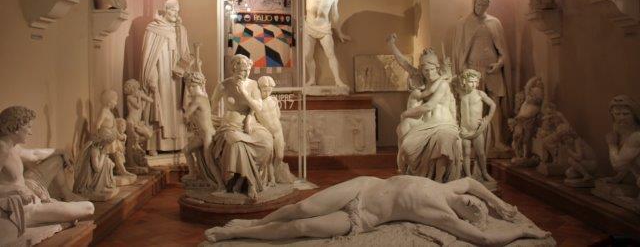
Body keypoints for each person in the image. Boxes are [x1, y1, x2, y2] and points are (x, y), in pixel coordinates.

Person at [205, 175, 549, 245]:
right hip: (364, 186)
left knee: (302, 229)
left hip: (362, 217)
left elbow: (484, 240)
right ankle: (253, 221)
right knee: (301, 206)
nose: (475, 205)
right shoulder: (452, 188)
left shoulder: (444, 217)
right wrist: (498, 204)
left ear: (464, 218)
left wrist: (522, 230)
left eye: (475, 212)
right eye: (477, 204)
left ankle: (236, 234)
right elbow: (474, 182)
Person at [0, 106, 94, 226]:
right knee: (88, 207)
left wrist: (62, 151)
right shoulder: (2, 149)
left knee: (57, 159)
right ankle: (48, 212)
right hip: (22, 208)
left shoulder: (13, 146)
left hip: (29, 196)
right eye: (28, 127)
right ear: (16, 127)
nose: (30, 132)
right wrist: (17, 190)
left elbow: (34, 154)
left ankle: (65, 197)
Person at [452, 0, 511, 155]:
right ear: (473, 3)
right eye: (479, 4)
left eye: (485, 5)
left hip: (492, 70)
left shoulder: (494, 22)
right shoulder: (464, 23)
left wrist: (499, 64)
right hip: (472, 70)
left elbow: (503, 52)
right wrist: (464, 71)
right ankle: (474, 141)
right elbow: (460, 51)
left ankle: (497, 141)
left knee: (495, 104)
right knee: (474, 106)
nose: (481, 8)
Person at [210, 55, 273, 199]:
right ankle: (250, 183)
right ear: (233, 68)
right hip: (231, 125)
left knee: (267, 142)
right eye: (242, 70)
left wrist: (244, 93)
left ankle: (241, 182)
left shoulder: (253, 85)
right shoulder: (223, 85)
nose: (245, 73)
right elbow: (211, 108)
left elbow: (258, 108)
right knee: (236, 144)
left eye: (247, 70)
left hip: (250, 123)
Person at [396, 47, 462, 183]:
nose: (429, 73)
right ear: (421, 70)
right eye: (426, 70)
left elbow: (429, 106)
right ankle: (405, 169)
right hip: (425, 124)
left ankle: (438, 180)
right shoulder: (422, 84)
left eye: (432, 69)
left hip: (443, 124)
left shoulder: (443, 84)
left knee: (442, 141)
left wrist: (405, 113)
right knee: (404, 129)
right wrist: (391, 44)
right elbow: (404, 63)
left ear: (437, 67)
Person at [141, 0, 192, 151]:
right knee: (161, 103)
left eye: (177, 11)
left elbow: (186, 52)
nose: (175, 14)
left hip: (177, 77)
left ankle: (178, 143)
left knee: (177, 105)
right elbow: (148, 56)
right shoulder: (153, 28)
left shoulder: (181, 29)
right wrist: (151, 74)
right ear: (166, 10)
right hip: (161, 72)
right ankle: (158, 144)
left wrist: (183, 67)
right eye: (173, 10)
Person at [304, 0, 350, 88]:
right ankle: (312, 79)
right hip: (309, 26)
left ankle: (338, 80)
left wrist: (339, 32)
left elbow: (335, 15)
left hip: (324, 28)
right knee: (307, 55)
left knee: (331, 54)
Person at [456, 69, 496, 183]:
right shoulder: (461, 94)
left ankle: (484, 172)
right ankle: (468, 176)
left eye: (475, 81)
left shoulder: (480, 94)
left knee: (481, 153)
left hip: (477, 129)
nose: (473, 84)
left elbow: (493, 105)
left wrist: (487, 120)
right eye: (470, 81)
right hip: (464, 129)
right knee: (466, 153)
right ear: (465, 81)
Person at [182, 71, 220, 185]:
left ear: (198, 85)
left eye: (192, 86)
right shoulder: (203, 97)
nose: (189, 89)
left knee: (210, 162)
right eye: (188, 87)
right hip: (201, 135)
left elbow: (186, 115)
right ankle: (192, 174)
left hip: (207, 134)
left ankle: (221, 185)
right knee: (186, 150)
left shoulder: (197, 99)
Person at [256, 76, 295, 184]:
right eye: (264, 90)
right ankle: (271, 177)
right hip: (266, 133)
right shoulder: (257, 103)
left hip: (278, 131)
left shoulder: (273, 100)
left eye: (269, 90)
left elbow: (278, 115)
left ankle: (276, 173)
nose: (267, 93)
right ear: (259, 89)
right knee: (269, 157)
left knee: (279, 155)